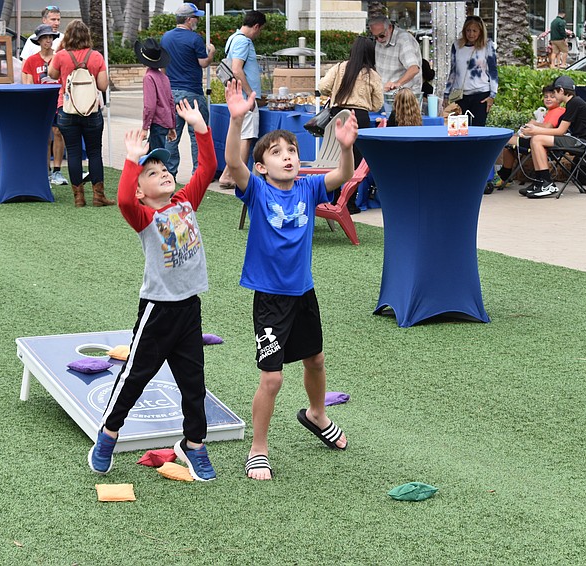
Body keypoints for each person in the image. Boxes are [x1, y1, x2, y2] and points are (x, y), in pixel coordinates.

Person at [223, 79, 356, 481]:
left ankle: (317, 413)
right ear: (262, 166)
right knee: (273, 376)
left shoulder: (310, 187)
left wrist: (347, 147)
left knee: (315, 359)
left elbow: (343, 176)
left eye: (292, 151)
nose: (287, 157)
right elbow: (233, 164)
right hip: (270, 300)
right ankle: (258, 448)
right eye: (277, 152)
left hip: (303, 293)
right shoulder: (258, 191)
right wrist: (235, 121)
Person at [87, 99, 218, 480]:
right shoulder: (144, 216)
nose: (162, 173)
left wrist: (200, 127)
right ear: (142, 191)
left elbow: (208, 168)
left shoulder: (185, 202)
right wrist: (131, 160)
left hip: (188, 309)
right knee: (135, 377)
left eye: (164, 168)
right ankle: (109, 433)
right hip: (158, 311)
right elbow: (124, 199)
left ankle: (194, 445)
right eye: (152, 172)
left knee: (194, 385)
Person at [48, 20, 114, 207]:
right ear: (87, 36)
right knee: (94, 152)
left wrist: (60, 50)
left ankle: (79, 197)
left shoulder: (61, 55)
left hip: (67, 110)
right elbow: (102, 86)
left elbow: (52, 75)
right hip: (91, 111)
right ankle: (98, 196)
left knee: (74, 152)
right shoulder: (96, 56)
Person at [319, 35, 383, 214]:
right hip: (359, 118)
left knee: (334, 157)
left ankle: (332, 196)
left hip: (336, 116)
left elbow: (322, 86)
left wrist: (335, 91)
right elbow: (378, 103)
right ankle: (349, 202)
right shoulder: (372, 74)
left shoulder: (339, 67)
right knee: (354, 162)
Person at [160, 2, 216, 182]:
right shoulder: (194, 39)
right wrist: (212, 53)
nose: (197, 20)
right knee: (198, 135)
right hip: (192, 92)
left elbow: (162, 66)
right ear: (188, 19)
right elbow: (203, 63)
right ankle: (198, 175)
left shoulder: (166, 38)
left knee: (171, 136)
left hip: (171, 93)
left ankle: (170, 174)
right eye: (196, 17)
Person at [519, 75, 586, 198]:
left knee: (537, 139)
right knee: (536, 139)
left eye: (554, 93)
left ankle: (547, 183)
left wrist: (535, 130)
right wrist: (536, 131)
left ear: (561, 90)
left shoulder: (574, 103)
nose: (554, 96)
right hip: (576, 139)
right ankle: (540, 181)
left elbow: (560, 131)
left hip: (583, 144)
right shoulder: (574, 102)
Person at [217, 10, 267, 189]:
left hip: (237, 95)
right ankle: (238, 178)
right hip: (244, 98)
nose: (259, 34)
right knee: (246, 137)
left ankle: (227, 175)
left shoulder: (233, 38)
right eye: (260, 30)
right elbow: (237, 69)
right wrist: (251, 95)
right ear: (256, 26)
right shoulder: (243, 41)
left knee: (239, 135)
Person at [493, 85, 566, 189]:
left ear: (559, 98)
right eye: (546, 97)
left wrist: (534, 123)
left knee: (506, 139)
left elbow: (548, 127)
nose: (548, 99)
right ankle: (504, 176)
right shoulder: (550, 111)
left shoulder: (558, 111)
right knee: (508, 148)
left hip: (543, 143)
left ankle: (501, 176)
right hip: (537, 140)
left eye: (552, 96)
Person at [22, 23, 68, 186]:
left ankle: (57, 171)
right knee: (44, 137)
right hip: (40, 103)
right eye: (45, 37)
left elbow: (66, 80)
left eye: (51, 37)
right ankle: (45, 171)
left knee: (58, 133)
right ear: (39, 41)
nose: (48, 40)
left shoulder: (60, 57)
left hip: (58, 102)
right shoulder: (30, 61)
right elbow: (27, 84)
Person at [443, 15, 497, 127]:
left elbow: (492, 70)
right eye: (468, 30)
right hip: (461, 95)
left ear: (480, 32)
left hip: (481, 94)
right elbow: (453, 71)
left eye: (474, 31)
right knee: (460, 129)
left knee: (478, 128)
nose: (471, 34)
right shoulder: (457, 45)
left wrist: (492, 95)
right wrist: (446, 94)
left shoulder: (487, 45)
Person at [367, 8, 421, 95]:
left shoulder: (404, 40)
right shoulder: (380, 39)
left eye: (381, 35)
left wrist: (397, 83)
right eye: (375, 37)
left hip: (404, 97)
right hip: (384, 95)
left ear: (390, 27)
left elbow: (414, 68)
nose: (379, 40)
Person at [135, 37, 176, 151]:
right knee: (151, 156)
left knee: (155, 161)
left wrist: (145, 127)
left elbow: (150, 105)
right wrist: (171, 125)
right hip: (164, 123)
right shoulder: (164, 77)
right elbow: (171, 102)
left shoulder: (149, 78)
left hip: (156, 124)